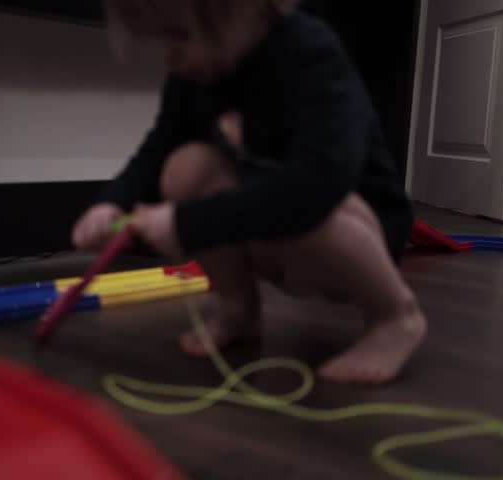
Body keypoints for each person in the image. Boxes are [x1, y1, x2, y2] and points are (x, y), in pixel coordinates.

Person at [71, 0, 425, 385]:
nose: (169, 55)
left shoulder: (309, 53)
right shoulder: (194, 73)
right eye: (159, 40)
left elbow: (317, 185)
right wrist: (111, 203)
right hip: (276, 226)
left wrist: (185, 222)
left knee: (303, 201)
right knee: (184, 166)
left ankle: (395, 315)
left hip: (354, 231)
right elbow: (157, 150)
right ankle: (238, 308)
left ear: (246, 10)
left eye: (180, 36)